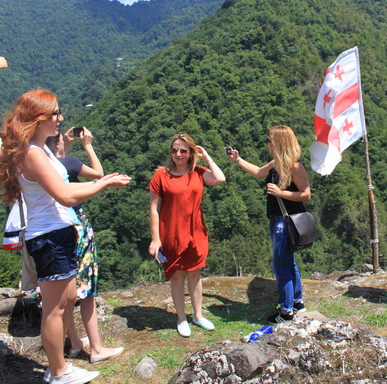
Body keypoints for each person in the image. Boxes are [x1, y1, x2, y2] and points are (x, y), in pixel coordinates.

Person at [0, 89, 131, 383]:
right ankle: (58, 371)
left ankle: (61, 366)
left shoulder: (40, 148)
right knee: (55, 309)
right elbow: (64, 195)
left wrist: (102, 180)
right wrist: (104, 184)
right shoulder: (32, 154)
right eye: (55, 113)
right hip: (49, 237)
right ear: (38, 119)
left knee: (66, 300)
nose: (60, 118)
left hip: (58, 234)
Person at [46, 129, 124, 363]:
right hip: (77, 228)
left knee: (65, 292)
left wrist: (64, 146)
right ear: (59, 142)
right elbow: (97, 174)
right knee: (86, 290)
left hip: (51, 230)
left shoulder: (42, 167)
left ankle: (75, 343)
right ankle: (97, 349)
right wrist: (88, 145)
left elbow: (61, 169)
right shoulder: (69, 163)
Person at [227, 125, 311, 324]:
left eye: (269, 140)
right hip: (278, 220)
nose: (267, 143)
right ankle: (296, 301)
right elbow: (257, 172)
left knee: (281, 266)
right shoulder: (276, 163)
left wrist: (280, 193)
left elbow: (306, 194)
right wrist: (237, 160)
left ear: (279, 143)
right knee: (288, 262)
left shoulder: (295, 166)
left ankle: (285, 311)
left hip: (286, 221)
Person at [148, 133, 225, 337]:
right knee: (177, 275)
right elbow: (154, 209)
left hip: (196, 231)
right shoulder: (161, 176)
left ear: (191, 153)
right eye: (174, 150)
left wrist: (206, 157)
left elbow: (220, 178)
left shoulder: (198, 173)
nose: (179, 154)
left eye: (183, 150)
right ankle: (182, 318)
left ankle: (198, 316)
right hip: (171, 233)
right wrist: (156, 239)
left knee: (195, 273)